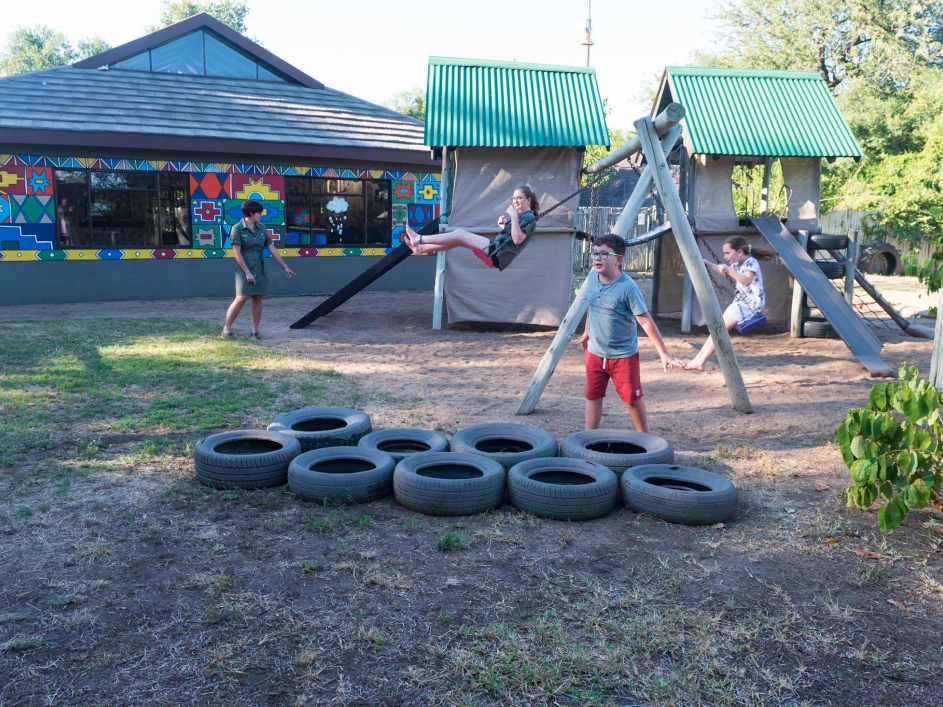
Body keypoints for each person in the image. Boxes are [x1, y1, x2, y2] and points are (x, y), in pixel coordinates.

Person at [581, 233, 681, 433]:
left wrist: (664, 353)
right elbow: (592, 304)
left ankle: (645, 438)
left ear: (619, 259)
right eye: (595, 253)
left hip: (623, 356)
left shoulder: (628, 288)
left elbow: (645, 321)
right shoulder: (592, 277)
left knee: (631, 399)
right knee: (593, 396)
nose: (598, 258)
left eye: (604, 254)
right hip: (595, 353)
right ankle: (587, 438)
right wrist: (586, 331)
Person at [683, 235, 774, 371]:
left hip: (749, 305)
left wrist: (729, 270)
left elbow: (746, 280)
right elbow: (723, 271)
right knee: (717, 329)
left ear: (739, 252)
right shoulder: (737, 264)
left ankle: (700, 361)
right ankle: (698, 360)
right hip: (740, 303)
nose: (725, 256)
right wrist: (708, 264)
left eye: (727, 253)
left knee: (719, 330)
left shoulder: (751, 262)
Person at [402, 186, 538, 271]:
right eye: (513, 198)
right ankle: (421, 248)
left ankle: (418, 239)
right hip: (496, 251)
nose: (515, 201)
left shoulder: (528, 217)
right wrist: (503, 226)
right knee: (457, 241)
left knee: (459, 234)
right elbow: (512, 235)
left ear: (528, 200)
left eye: (519, 198)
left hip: (496, 253)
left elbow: (517, 239)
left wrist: (513, 217)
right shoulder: (523, 216)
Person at [221, 200, 296, 339]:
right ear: (250, 213)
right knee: (241, 298)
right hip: (244, 268)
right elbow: (236, 252)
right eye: (259, 213)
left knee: (257, 299)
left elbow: (271, 247)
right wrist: (247, 272)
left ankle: (255, 331)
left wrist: (284, 266)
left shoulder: (262, 228)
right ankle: (226, 330)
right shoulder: (237, 228)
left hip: (260, 267)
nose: (261, 215)